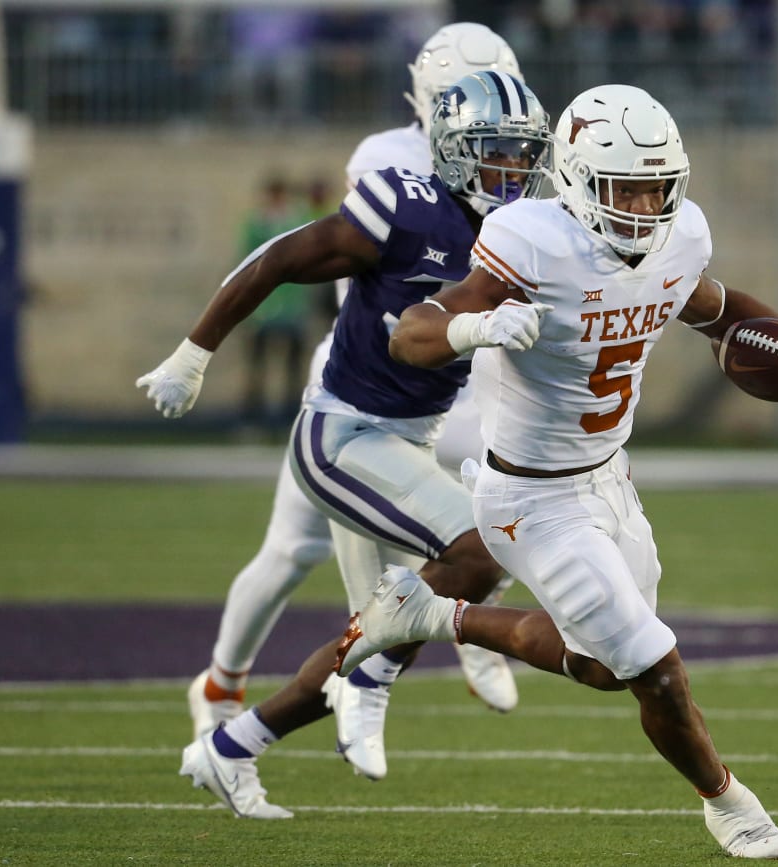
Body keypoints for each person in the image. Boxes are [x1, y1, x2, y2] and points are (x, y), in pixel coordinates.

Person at [346, 84, 778, 859]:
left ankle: (430, 614)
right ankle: (731, 803)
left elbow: (716, 310)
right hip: (530, 499)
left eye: (658, 187)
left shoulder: (679, 237)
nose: (646, 206)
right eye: (626, 188)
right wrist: (476, 327)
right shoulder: (533, 241)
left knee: (601, 666)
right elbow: (412, 333)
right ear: (577, 180)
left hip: (611, 481)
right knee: (654, 666)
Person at [136, 69, 553, 817]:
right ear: (452, 150)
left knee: (403, 608)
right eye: (494, 150)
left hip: (410, 443)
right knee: (479, 552)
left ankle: (234, 746)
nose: (511, 168)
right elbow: (278, 259)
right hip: (343, 432)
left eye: (523, 153)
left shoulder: (525, 233)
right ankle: (366, 681)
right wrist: (193, 354)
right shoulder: (406, 205)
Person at [238, 173, 312, 428]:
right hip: (262, 306)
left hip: (292, 306)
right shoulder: (257, 224)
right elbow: (247, 261)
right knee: (257, 364)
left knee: (293, 365)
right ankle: (253, 419)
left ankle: (290, 416)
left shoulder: (298, 222)